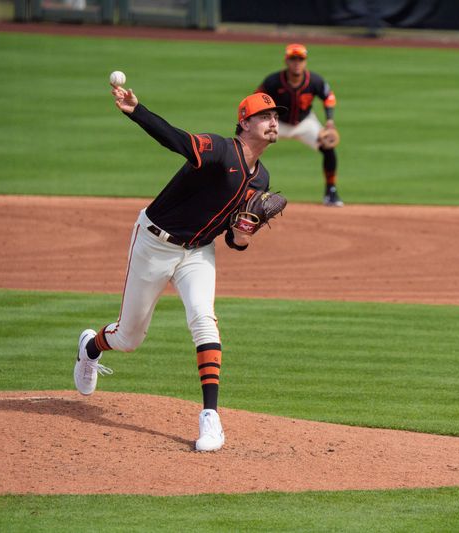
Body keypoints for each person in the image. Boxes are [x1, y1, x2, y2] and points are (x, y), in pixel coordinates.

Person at [74, 82, 286, 452]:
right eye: (263, 116)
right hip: (154, 243)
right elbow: (176, 140)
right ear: (244, 123)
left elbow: (235, 241)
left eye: (275, 116)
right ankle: (91, 346)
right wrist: (137, 111)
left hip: (198, 252)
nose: (272, 122)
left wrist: (243, 234)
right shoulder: (221, 150)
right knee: (128, 338)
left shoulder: (261, 179)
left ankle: (210, 418)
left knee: (204, 319)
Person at [257, 43, 343, 207]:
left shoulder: (315, 81)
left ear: (305, 61)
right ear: (286, 61)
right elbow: (256, 98)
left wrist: (329, 121)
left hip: (305, 123)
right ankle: (246, 190)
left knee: (328, 148)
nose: (297, 62)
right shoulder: (274, 81)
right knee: (250, 150)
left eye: (300, 59)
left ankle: (331, 191)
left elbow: (329, 97)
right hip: (277, 124)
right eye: (293, 59)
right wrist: (261, 122)